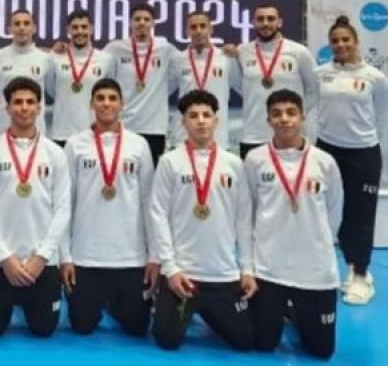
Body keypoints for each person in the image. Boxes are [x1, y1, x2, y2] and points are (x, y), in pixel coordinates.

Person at [148, 90, 255, 351]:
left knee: (246, 342)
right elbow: (158, 214)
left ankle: (209, 311)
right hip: (182, 275)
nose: (201, 121)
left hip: (222, 274)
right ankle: (184, 307)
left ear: (217, 121)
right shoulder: (169, 162)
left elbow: (243, 219)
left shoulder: (234, 163)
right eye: (193, 116)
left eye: (207, 115)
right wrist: (170, 269)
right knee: (167, 340)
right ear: (183, 122)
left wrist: (247, 269)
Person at [245, 89, 343, 359]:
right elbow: (248, 212)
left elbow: (334, 211)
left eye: (291, 113)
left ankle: (297, 312)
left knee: (321, 351)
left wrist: (318, 244)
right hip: (269, 268)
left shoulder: (325, 162)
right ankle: (285, 309)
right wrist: (249, 265)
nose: (284, 119)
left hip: (315, 271)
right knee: (263, 343)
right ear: (268, 120)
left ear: (303, 117)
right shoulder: (255, 159)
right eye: (276, 114)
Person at [60, 78, 158, 336]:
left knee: (137, 328)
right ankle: (104, 300)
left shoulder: (139, 145)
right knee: (82, 326)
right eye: (100, 98)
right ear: (91, 104)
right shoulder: (75, 144)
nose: (106, 104)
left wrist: (154, 256)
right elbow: (64, 202)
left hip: (130, 257)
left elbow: (149, 203)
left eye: (112, 98)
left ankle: (114, 303)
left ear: (122, 104)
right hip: (86, 256)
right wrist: (65, 256)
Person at [0, 77, 71, 337]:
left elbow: (63, 209)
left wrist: (42, 257)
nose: (24, 108)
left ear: (39, 108)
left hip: (42, 262)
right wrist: (5, 258)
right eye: (18, 102)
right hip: (0, 261)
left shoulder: (55, 153)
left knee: (44, 330)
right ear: (7, 108)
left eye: (30, 102)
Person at [315, 16, 388, 305]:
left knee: (359, 216)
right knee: (326, 213)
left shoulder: (375, 78)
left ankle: (360, 274)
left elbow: (381, 118)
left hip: (362, 153)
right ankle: (332, 269)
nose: (341, 45)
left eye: (346, 39)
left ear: (356, 42)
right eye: (335, 40)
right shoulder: (320, 73)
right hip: (326, 151)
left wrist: (364, 143)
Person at [234, 4, 318, 158]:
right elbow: (240, 86)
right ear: (253, 23)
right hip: (254, 135)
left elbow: (314, 89)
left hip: (291, 135)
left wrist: (294, 114)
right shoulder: (242, 52)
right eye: (260, 19)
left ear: (280, 22)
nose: (265, 23)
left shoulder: (299, 52)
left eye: (271, 19)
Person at [104, 2, 179, 166]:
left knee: (151, 176)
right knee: (120, 172)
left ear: (153, 23)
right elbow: (103, 78)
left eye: (146, 19)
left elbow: (176, 78)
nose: (142, 23)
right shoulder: (115, 48)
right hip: (122, 125)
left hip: (154, 127)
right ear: (130, 22)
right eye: (137, 19)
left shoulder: (166, 49)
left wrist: (158, 92)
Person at [47, 10, 115, 147]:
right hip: (62, 132)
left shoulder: (106, 59)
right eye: (75, 27)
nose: (80, 31)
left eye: (84, 27)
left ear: (92, 29)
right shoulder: (55, 58)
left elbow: (110, 94)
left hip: (94, 132)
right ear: (68, 29)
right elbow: (51, 90)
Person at [171, 11, 235, 148]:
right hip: (183, 134)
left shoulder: (226, 58)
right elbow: (164, 89)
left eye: (203, 26)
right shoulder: (177, 59)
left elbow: (243, 87)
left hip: (218, 134)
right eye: (193, 27)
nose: (198, 31)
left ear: (211, 29)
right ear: (187, 31)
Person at [0, 10, 50, 138]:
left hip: (36, 128)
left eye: (26, 23)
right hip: (2, 128)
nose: (21, 28)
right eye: (17, 24)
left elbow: (53, 89)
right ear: (9, 29)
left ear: (34, 28)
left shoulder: (46, 58)